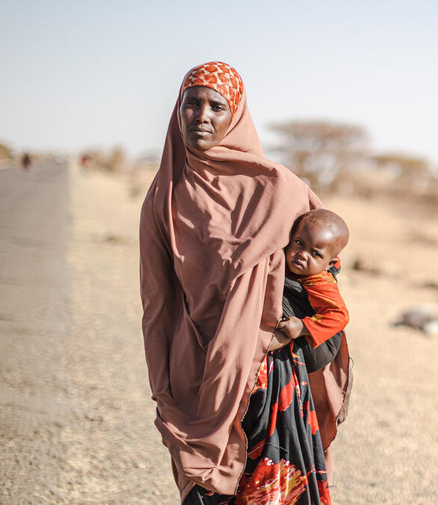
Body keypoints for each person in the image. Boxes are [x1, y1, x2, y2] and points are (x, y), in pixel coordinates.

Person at [139, 61, 352, 505]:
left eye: (216, 106)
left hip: (269, 374)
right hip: (198, 370)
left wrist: (291, 329)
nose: (202, 115)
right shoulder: (164, 195)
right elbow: (158, 299)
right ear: (177, 110)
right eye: (190, 103)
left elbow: (322, 270)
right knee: (203, 490)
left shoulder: (280, 188)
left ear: (234, 114)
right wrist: (163, 383)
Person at [276, 209, 350, 351]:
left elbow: (340, 315)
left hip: (319, 348)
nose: (303, 254)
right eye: (299, 242)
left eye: (315, 253)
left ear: (329, 264)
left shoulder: (320, 282)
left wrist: (303, 327)